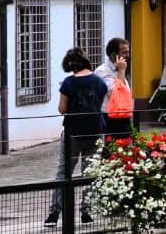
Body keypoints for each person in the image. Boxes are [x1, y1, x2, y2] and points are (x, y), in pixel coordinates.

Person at [44, 48, 109, 228]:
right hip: (95, 131)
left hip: (73, 132)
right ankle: (86, 212)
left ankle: (54, 213)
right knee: (90, 173)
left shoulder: (68, 83)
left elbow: (62, 109)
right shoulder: (99, 81)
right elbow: (102, 102)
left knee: (64, 173)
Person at [94, 38, 132, 138]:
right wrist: (121, 71)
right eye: (124, 52)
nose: (127, 56)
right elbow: (115, 94)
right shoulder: (102, 71)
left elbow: (126, 92)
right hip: (109, 117)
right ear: (113, 54)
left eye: (128, 52)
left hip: (124, 116)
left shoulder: (120, 69)